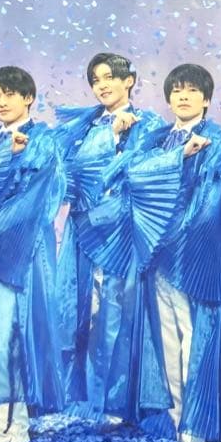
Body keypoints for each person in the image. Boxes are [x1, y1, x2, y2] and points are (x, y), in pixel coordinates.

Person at [123, 63, 221, 442]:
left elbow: (213, 205)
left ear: (207, 99)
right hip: (156, 260)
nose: (183, 96)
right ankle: (181, 429)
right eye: (176, 90)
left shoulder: (217, 142)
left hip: (194, 263)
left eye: (192, 90)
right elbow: (132, 174)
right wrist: (177, 157)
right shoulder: (158, 140)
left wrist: (181, 237)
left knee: (196, 348)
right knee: (167, 350)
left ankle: (193, 441)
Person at [52, 53, 169, 421]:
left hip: (120, 233)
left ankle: (116, 401)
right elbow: (70, 172)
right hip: (83, 230)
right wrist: (109, 135)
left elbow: (147, 172)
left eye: (108, 77)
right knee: (78, 312)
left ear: (128, 80)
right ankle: (81, 398)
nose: (101, 85)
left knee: (116, 314)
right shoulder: (85, 128)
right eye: (95, 80)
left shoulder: (149, 124)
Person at [0, 66, 66, 442]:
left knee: (10, 338)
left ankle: (10, 427)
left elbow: (40, 197)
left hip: (15, 256)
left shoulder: (43, 140)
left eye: (9, 94)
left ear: (29, 98)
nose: (2, 102)